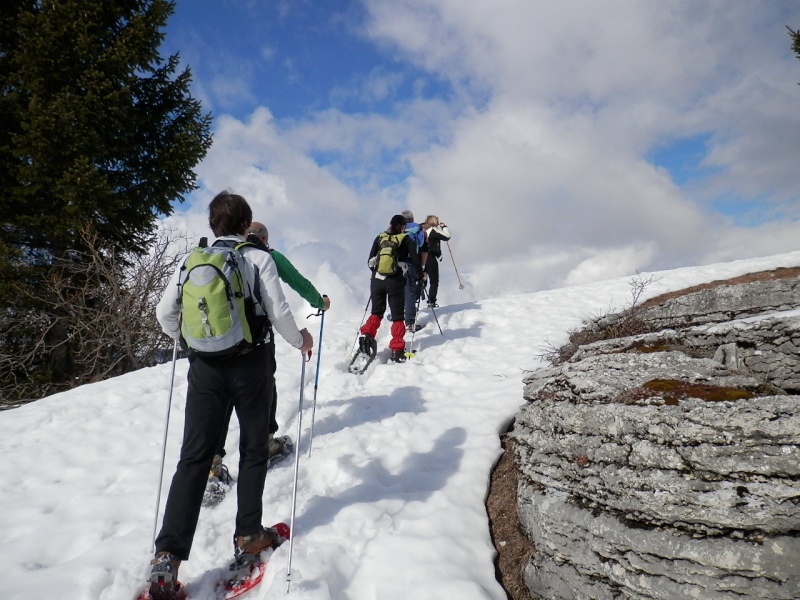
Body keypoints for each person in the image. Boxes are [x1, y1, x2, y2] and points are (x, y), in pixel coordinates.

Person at [149, 192, 313, 598]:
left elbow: (164, 314)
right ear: (246, 224)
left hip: (204, 369)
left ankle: (166, 558)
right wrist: (301, 340)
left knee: (194, 457)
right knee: (254, 449)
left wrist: (191, 342)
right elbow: (278, 312)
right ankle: (248, 537)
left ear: (212, 226)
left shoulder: (192, 261)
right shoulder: (258, 258)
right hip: (250, 363)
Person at [212, 221, 330, 470]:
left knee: (222, 394)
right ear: (265, 239)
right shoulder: (268, 256)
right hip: (255, 338)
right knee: (264, 386)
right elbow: (298, 282)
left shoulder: (220, 255)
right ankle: (265, 442)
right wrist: (320, 302)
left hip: (218, 337)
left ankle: (213, 461)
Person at [359, 214, 421, 362]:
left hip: (377, 280)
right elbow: (415, 260)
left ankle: (367, 339)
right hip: (395, 281)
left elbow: (370, 260)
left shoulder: (380, 237)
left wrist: (378, 274)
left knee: (376, 312)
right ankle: (397, 350)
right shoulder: (405, 239)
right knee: (398, 316)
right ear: (403, 226)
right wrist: (420, 276)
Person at [400, 210, 426, 332]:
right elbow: (422, 246)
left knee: (398, 291)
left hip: (396, 263)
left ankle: (397, 319)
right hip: (411, 262)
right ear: (412, 218)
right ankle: (409, 322)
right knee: (410, 291)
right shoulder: (418, 228)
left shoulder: (397, 228)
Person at [421, 215, 451, 308]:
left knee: (421, 280)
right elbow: (447, 236)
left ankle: (412, 302)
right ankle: (431, 301)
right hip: (430, 257)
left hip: (420, 257)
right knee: (434, 281)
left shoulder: (421, 229)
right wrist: (444, 227)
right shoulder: (433, 229)